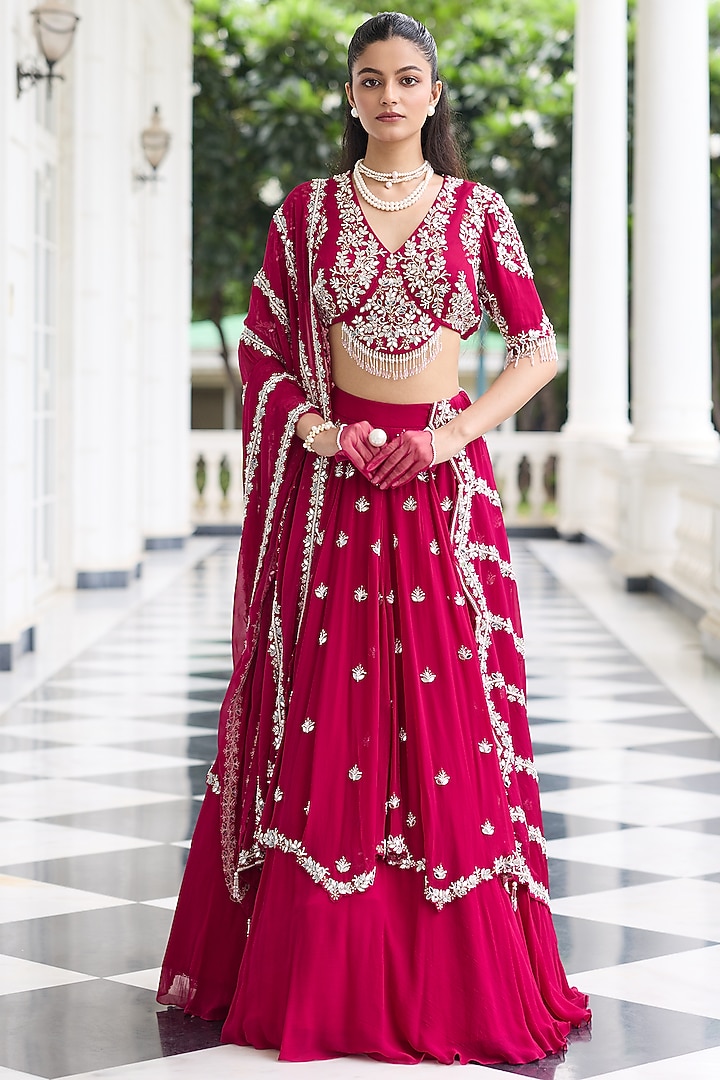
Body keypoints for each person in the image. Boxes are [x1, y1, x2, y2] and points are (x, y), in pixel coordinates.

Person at [158, 10, 590, 1066]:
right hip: (338, 490)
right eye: (370, 80)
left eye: (407, 79)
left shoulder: (480, 213)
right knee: (331, 715)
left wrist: (449, 437)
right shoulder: (304, 216)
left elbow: (535, 350)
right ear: (350, 98)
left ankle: (455, 980)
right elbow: (263, 355)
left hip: (441, 496)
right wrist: (317, 427)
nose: (390, 96)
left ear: (434, 95)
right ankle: (322, 977)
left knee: (450, 724)